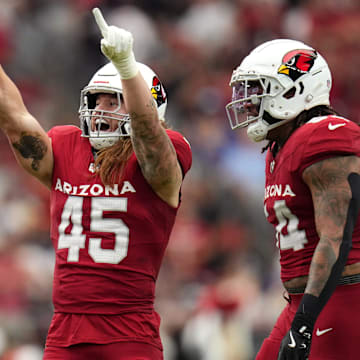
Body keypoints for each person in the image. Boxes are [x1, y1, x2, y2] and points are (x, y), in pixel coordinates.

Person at [0, 7, 192, 360]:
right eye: (95, 100)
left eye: (112, 101)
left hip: (128, 330)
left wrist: (127, 68)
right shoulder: (67, 148)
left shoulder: (162, 154)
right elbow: (14, 119)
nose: (100, 110)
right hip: (65, 329)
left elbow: (149, 137)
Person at [225, 38, 360, 360]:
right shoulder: (279, 147)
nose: (247, 103)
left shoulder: (324, 135)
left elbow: (335, 238)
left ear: (293, 90)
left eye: (257, 90)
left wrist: (304, 322)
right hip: (302, 302)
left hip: (343, 297)